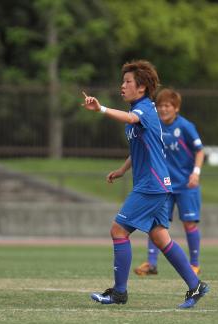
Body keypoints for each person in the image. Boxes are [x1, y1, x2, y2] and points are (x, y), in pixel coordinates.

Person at [81, 60, 209, 308]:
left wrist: (101, 109)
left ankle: (119, 293)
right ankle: (196, 286)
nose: (123, 85)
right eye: (124, 81)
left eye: (128, 82)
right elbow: (141, 148)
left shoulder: (144, 109)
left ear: (141, 88)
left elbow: (130, 118)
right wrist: (122, 170)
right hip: (159, 185)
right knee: (160, 238)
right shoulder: (142, 111)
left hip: (151, 186)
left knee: (118, 231)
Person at [134, 88, 205, 276]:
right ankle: (151, 263)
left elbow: (200, 151)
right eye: (160, 106)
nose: (163, 109)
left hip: (186, 185)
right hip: (163, 185)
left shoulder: (185, 127)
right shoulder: (155, 125)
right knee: (155, 224)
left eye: (167, 105)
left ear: (176, 108)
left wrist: (195, 173)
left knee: (189, 223)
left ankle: (195, 264)